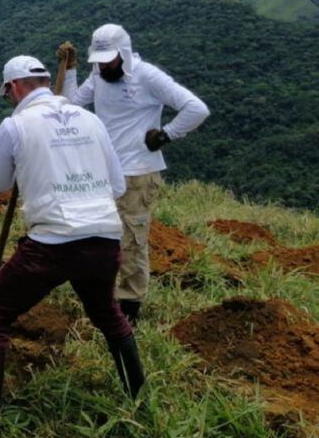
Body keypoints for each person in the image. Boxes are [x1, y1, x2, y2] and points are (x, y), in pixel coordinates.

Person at [0, 55, 145, 435]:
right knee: (109, 316)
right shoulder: (92, 120)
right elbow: (117, 186)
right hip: (103, 239)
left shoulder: (14, 125)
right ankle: (139, 400)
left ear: (15, 87)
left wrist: (28, 167)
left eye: (9, 94)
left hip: (51, 244)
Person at [59, 24, 210, 324]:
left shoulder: (147, 76)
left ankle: (128, 310)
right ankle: (105, 298)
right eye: (99, 59)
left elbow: (196, 108)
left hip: (138, 174)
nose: (104, 65)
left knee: (130, 242)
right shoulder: (99, 76)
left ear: (124, 54)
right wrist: (71, 69)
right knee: (102, 237)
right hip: (104, 173)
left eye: (110, 59)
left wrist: (166, 134)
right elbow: (71, 104)